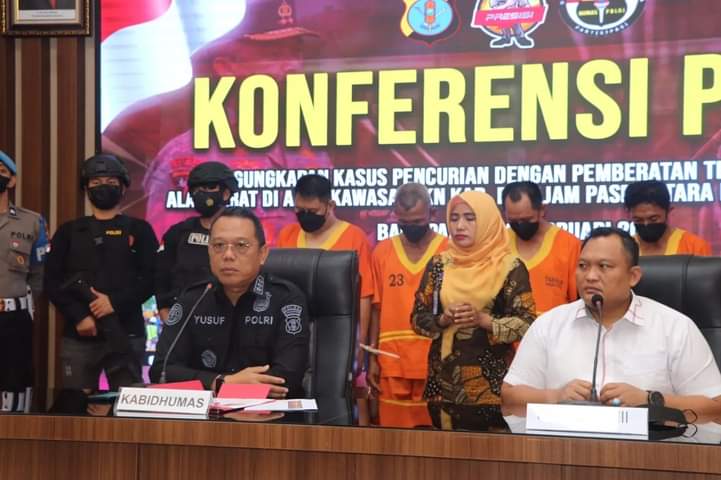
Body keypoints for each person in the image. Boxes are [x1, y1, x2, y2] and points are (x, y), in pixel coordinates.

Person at [501, 227, 721, 421]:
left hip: (652, 452)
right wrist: (555, 397)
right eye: (582, 266)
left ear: (633, 276)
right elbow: (510, 398)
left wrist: (651, 401)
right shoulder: (548, 325)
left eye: (604, 266)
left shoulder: (674, 328)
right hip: (567, 450)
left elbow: (715, 407)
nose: (590, 276)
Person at [150, 208, 310, 397]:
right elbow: (162, 370)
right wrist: (221, 383)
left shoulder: (286, 299)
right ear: (209, 251)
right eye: (218, 245)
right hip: (205, 412)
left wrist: (222, 386)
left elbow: (287, 377)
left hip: (270, 413)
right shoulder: (193, 299)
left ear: (263, 253)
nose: (228, 255)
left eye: (241, 245)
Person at [412, 191, 536, 430]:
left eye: (470, 218)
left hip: (493, 390)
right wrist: (443, 319)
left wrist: (484, 320)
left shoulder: (510, 267)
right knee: (444, 452)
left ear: (488, 220)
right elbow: (417, 319)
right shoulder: (439, 265)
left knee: (492, 453)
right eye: (454, 218)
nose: (460, 226)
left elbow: (527, 324)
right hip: (443, 388)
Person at [45, 154, 158, 390]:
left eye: (110, 182)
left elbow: (151, 279)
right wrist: (79, 316)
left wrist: (113, 302)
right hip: (79, 334)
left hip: (127, 334)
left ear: (123, 187)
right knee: (75, 403)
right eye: (96, 182)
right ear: (86, 188)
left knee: (126, 405)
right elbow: (52, 281)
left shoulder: (140, 230)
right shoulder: (68, 231)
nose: (103, 187)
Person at [276, 174, 374, 378]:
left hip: (338, 336)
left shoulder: (354, 237)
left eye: (312, 211)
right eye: (299, 210)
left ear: (330, 206)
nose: (305, 216)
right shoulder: (287, 235)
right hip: (292, 333)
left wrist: (360, 343)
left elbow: (364, 296)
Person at [367, 183, 448, 428]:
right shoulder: (382, 252)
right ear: (395, 216)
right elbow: (376, 309)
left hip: (436, 361)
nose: (411, 227)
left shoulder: (449, 251)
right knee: (394, 440)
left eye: (417, 221)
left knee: (435, 439)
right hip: (393, 363)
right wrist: (372, 358)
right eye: (404, 222)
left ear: (432, 214)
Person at [155, 161, 238, 322]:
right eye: (196, 189)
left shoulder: (242, 233)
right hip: (184, 320)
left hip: (230, 319)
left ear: (226, 193)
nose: (201, 193)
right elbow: (161, 275)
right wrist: (164, 309)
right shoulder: (178, 233)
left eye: (209, 187)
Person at [0, 151, 48, 411]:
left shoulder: (32, 222)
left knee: (16, 386)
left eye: (1, 171)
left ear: (12, 180)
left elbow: (39, 273)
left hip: (14, 317)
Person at [502, 181, 581, 315]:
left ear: (542, 210)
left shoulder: (569, 245)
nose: (520, 225)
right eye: (513, 221)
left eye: (526, 220)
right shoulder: (498, 243)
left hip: (555, 327)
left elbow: (578, 304)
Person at [624, 180, 711, 256]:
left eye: (653, 219)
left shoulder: (694, 247)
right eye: (638, 220)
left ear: (668, 210)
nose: (646, 224)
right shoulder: (624, 249)